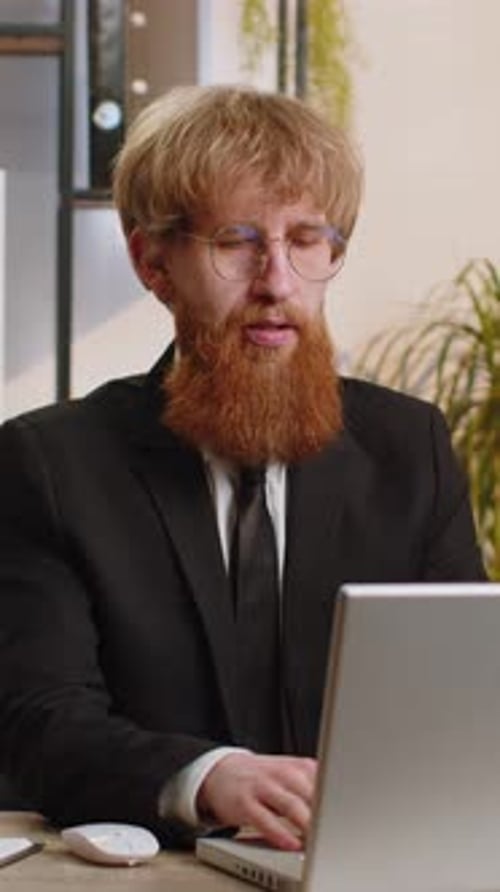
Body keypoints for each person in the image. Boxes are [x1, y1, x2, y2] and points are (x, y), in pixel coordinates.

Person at [0, 85, 486, 850]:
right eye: (237, 241)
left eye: (306, 239)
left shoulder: (410, 447)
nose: (279, 283)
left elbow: (467, 700)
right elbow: (41, 722)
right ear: (152, 261)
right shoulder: (49, 463)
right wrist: (209, 777)